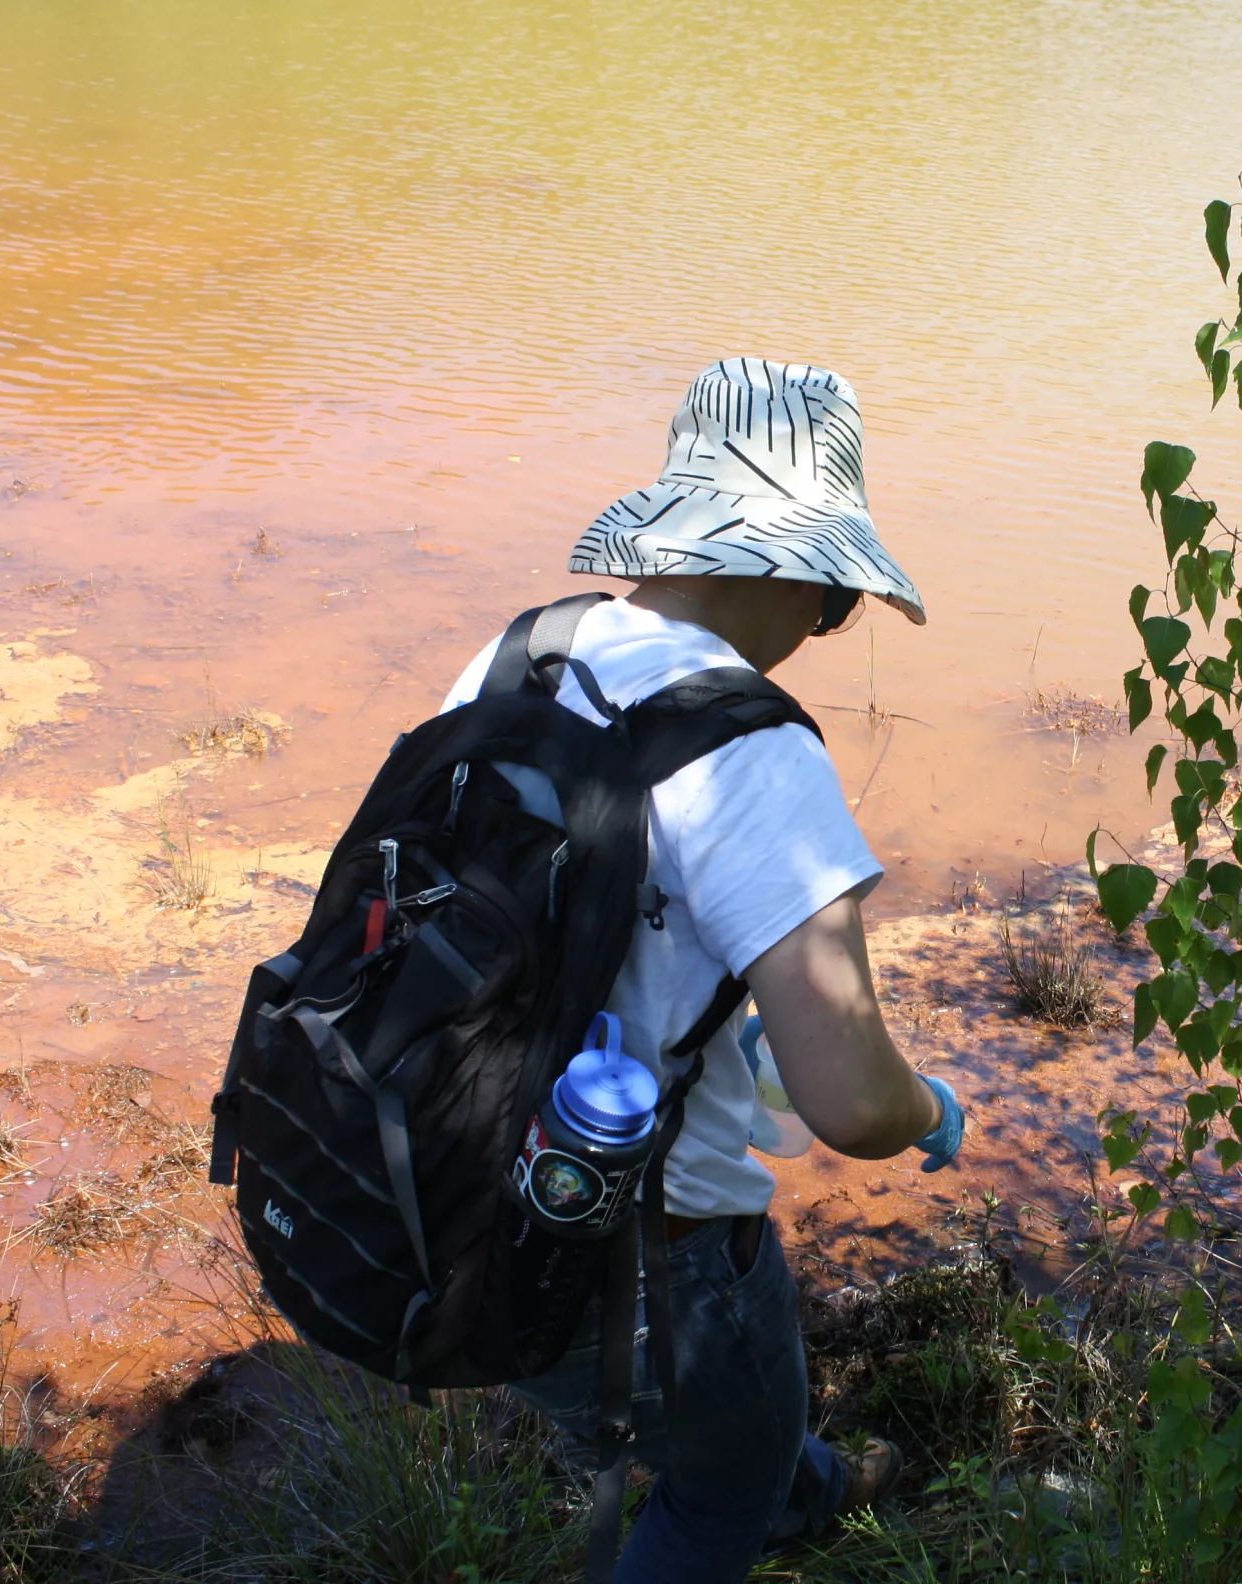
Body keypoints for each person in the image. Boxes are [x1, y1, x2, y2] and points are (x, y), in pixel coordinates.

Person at [436, 358, 967, 1583]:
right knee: (713, 1504)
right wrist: (927, 1105)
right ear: (793, 571)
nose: (821, 636)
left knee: (728, 1440)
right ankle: (765, 1484)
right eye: (834, 605)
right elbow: (847, 1102)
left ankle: (807, 1476)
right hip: (640, 1255)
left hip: (469, 1195)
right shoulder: (753, 755)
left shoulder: (523, 658)